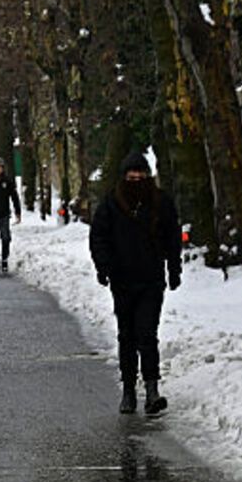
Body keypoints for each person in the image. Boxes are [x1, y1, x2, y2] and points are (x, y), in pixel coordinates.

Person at [89, 152, 181, 415]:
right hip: (122, 280)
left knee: (147, 334)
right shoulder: (111, 204)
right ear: (124, 176)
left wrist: (174, 270)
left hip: (152, 279)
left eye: (141, 173)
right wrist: (104, 267)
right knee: (127, 336)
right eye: (131, 174)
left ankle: (152, 390)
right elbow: (99, 237)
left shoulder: (160, 202)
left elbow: (173, 238)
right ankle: (128, 390)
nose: (136, 178)